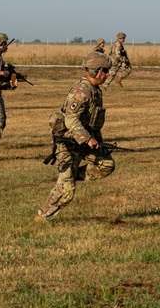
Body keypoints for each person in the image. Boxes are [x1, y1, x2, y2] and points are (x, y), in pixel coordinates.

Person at [36, 52, 115, 221]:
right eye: (106, 71)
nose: (108, 74)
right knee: (67, 193)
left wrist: (98, 139)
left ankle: (67, 178)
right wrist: (87, 139)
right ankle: (42, 218)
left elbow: (93, 120)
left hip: (84, 141)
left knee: (106, 164)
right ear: (97, 71)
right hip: (69, 143)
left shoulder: (96, 91)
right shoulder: (82, 91)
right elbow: (71, 119)